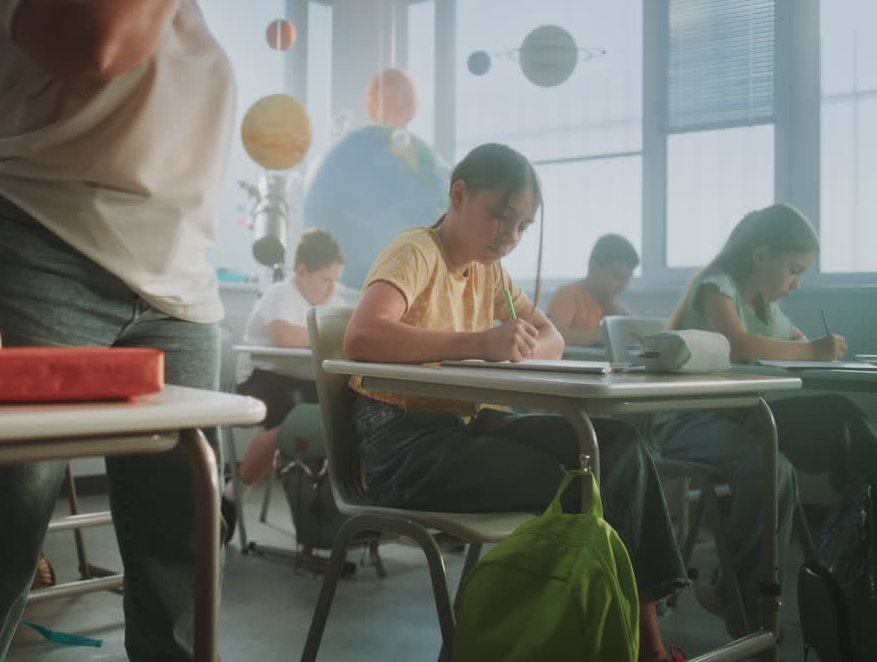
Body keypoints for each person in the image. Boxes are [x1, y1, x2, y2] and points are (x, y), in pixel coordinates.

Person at [0, 0, 236, 658]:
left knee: (183, 535)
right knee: (0, 524)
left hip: (179, 283)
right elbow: (91, 43)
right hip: (38, 247)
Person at [342, 143, 688, 662]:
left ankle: (644, 637)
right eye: (501, 218)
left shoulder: (492, 272)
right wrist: (478, 343)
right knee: (582, 481)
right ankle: (597, 644)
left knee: (617, 445)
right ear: (458, 196)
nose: (509, 237)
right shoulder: (416, 252)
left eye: (523, 227)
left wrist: (518, 345)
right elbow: (361, 338)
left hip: (470, 425)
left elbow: (553, 338)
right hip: (403, 446)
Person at [656, 203, 877, 634]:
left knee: (842, 421)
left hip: (740, 417)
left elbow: (789, 341)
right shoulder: (716, 287)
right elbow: (738, 345)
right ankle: (739, 593)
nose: (796, 284)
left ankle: (854, 548)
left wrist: (811, 346)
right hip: (686, 421)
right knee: (768, 466)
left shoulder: (768, 307)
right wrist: (812, 349)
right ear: (761, 256)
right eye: (793, 269)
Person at [234, 228, 344, 488]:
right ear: (302, 271)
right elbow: (284, 337)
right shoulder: (280, 293)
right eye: (325, 279)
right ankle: (233, 491)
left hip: (303, 378)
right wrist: (329, 334)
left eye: (335, 280)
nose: (331, 289)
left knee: (340, 414)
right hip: (262, 377)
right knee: (294, 422)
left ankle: (320, 496)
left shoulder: (331, 298)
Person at [546, 232, 639, 346]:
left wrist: (620, 319)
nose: (624, 285)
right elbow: (554, 336)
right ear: (593, 267)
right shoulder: (568, 295)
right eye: (617, 276)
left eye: (627, 278)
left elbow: (636, 335)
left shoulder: (611, 303)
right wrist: (610, 332)